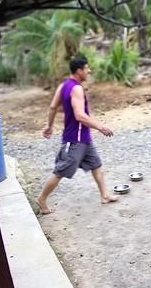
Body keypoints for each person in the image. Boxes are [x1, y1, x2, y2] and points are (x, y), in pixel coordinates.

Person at [36, 55, 118, 214]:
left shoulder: (64, 85)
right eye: (87, 68)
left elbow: (53, 107)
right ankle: (41, 199)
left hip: (84, 138)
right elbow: (80, 116)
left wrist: (49, 126)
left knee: (96, 165)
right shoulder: (77, 88)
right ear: (79, 71)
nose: (89, 71)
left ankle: (105, 195)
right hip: (75, 140)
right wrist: (100, 126)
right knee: (60, 171)